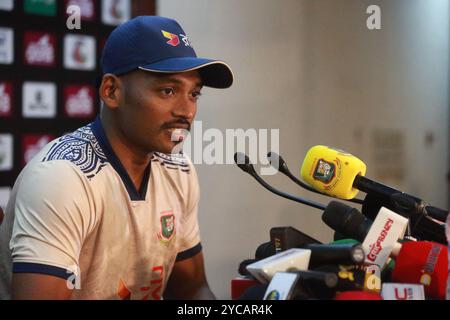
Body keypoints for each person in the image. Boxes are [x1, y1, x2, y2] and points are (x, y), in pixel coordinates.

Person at [0, 15, 233, 300]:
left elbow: (193, 290)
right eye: (168, 91)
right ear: (111, 91)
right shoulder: (63, 177)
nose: (186, 111)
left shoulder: (179, 170)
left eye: (194, 94)